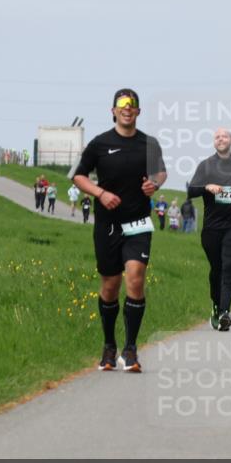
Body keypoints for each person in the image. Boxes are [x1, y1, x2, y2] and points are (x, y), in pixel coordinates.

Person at [71, 88, 166, 372]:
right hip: (107, 226)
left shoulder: (149, 144)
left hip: (138, 223)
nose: (127, 108)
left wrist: (155, 183)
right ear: (113, 110)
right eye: (122, 104)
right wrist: (100, 194)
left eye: (132, 104)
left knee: (135, 278)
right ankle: (109, 345)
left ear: (138, 112)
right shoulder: (100, 144)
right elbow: (78, 176)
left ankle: (131, 349)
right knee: (110, 286)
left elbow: (161, 171)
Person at [188, 127, 231, 331]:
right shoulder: (206, 165)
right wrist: (206, 186)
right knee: (216, 269)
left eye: (224, 136)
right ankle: (216, 306)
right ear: (214, 142)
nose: (221, 139)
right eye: (217, 137)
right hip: (212, 227)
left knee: (228, 266)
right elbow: (191, 190)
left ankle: (225, 312)